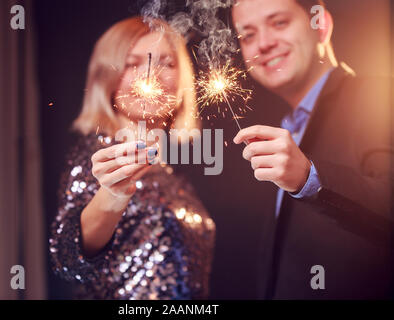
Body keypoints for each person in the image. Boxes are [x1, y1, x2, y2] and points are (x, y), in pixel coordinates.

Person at [231, 0, 393, 299]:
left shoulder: (380, 95)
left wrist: (310, 178)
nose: (263, 43)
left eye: (279, 22)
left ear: (322, 26)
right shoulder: (289, 127)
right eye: (248, 35)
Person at [49, 16, 215, 300]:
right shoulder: (98, 156)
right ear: (107, 79)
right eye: (133, 63)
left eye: (166, 62)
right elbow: (67, 260)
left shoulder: (168, 173)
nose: (150, 75)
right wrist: (112, 194)